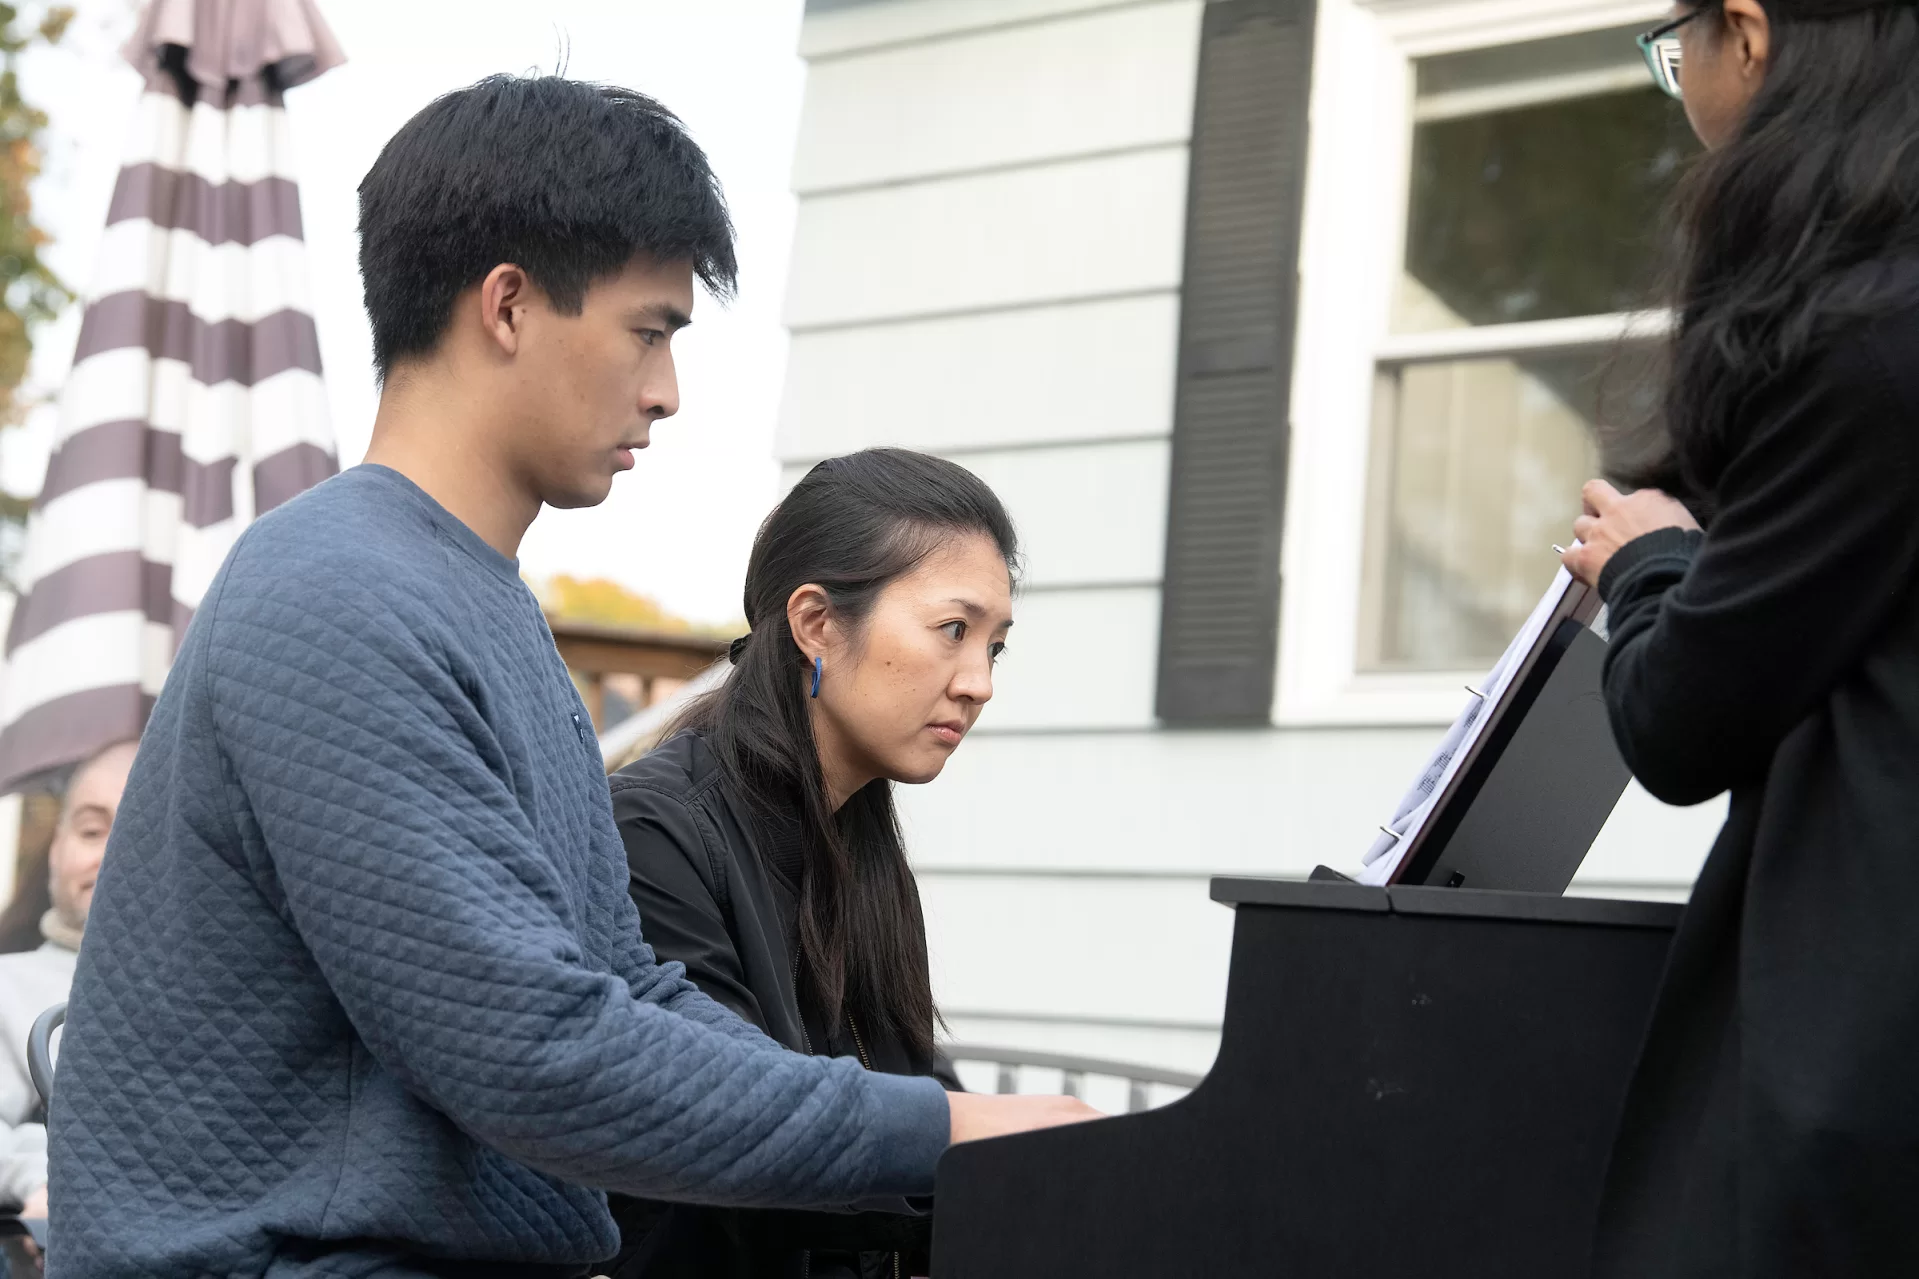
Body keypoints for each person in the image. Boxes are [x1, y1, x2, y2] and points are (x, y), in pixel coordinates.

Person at [45, 75, 1093, 1278]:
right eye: (649, 330)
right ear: (508, 305)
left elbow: (624, 984)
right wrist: (938, 1128)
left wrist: (929, 1122)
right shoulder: (333, 596)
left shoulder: (482, 603)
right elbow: (536, 1049)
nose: (666, 390)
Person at [1559, 1, 1919, 1273]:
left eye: (1674, 51)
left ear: (1749, 36)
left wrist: (1646, 561)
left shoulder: (1871, 339)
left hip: (1862, 1051)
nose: (1684, 89)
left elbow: (1680, 721)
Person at [605, 449, 1015, 1278]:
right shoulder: (654, 830)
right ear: (816, 623)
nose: (978, 683)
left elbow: (914, 1084)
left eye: (995, 647)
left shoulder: (859, 838)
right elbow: (737, 1128)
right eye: (952, 630)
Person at [0, 742, 135, 1225]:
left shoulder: (225, 1001)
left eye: (141, 830)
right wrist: (40, 1180)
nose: (112, 852)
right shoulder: (8, 985)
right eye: (92, 830)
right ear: (56, 849)